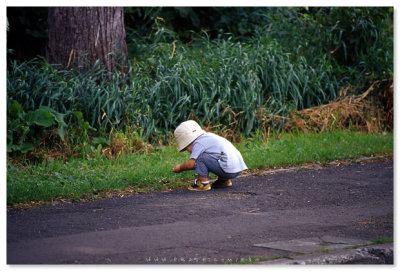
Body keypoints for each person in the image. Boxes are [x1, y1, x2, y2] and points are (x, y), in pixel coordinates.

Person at [172, 120, 248, 191]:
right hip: (237, 168)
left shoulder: (198, 143)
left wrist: (180, 167)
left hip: (227, 170)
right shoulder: (209, 137)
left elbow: (191, 164)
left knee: (200, 157)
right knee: (215, 157)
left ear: (188, 142)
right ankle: (224, 181)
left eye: (186, 148)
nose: (188, 151)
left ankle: (203, 183)